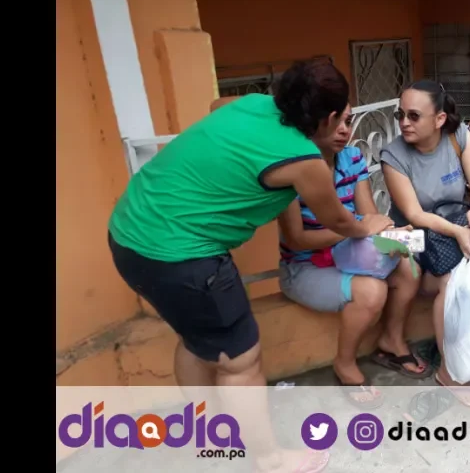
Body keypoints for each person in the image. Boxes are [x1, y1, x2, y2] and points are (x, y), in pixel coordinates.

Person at [107, 59, 393, 473]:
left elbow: (213, 105)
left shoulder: (253, 104)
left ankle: (205, 433)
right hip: (184, 255)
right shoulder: (304, 160)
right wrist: (365, 226)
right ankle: (271, 460)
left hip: (130, 232)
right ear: (329, 117)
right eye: (341, 118)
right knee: (241, 361)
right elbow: (338, 222)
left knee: (196, 339)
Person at [277, 103, 431, 409]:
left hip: (348, 250)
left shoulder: (351, 158)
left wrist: (388, 232)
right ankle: (344, 363)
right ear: (312, 121)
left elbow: (369, 217)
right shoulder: (290, 169)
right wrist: (357, 229)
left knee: (408, 258)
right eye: (335, 121)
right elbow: (297, 240)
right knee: (372, 290)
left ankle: (391, 340)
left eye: (347, 121)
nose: (345, 129)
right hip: (305, 265)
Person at [381, 80, 470, 408]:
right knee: (452, 280)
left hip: (451, 231)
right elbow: (414, 213)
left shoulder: (458, 137)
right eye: (401, 114)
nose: (404, 122)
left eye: (414, 116)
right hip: (406, 237)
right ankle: (451, 370)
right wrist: (457, 232)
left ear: (439, 119)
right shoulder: (393, 155)